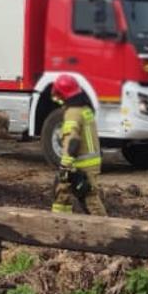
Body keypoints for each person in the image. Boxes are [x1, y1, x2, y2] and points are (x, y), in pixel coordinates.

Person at [49, 74, 107, 215]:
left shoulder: (73, 113)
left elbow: (72, 140)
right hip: (89, 162)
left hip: (80, 164)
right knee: (62, 194)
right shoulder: (85, 109)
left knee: (89, 199)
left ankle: (102, 227)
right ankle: (60, 221)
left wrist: (65, 166)